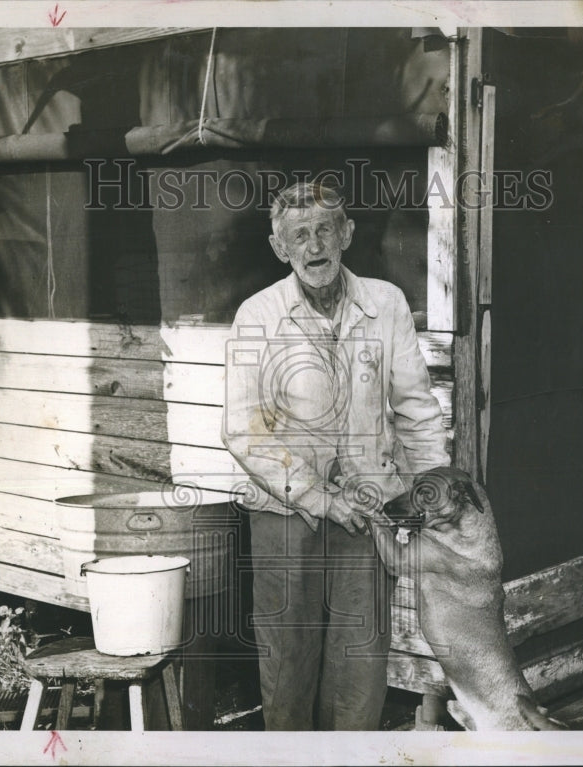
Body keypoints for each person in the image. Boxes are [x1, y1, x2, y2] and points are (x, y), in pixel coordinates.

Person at [221, 182, 449, 730]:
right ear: (280, 248)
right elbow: (242, 429)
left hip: (369, 513)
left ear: (347, 234)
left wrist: (430, 492)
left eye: (325, 229)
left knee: (359, 670)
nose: (314, 245)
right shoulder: (257, 315)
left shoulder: (385, 303)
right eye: (299, 235)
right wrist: (319, 497)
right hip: (285, 514)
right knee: (288, 667)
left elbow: (416, 409)